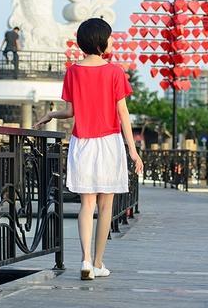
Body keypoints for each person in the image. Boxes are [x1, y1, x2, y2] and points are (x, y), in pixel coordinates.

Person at [34, 18, 143, 280]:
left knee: (87, 204)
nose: (113, 41)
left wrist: (52, 114)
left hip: (81, 143)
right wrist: (133, 150)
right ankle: (98, 263)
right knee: (106, 206)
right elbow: (123, 114)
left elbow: (70, 111)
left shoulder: (73, 71)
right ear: (101, 40)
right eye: (110, 37)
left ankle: (83, 261)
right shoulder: (115, 71)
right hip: (109, 142)